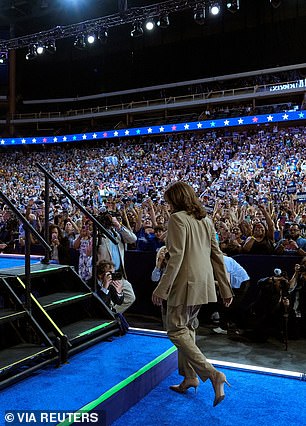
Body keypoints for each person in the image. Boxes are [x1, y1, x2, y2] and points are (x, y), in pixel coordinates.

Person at [152, 181, 233, 407]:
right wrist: (225, 288)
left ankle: (213, 374)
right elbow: (217, 255)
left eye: (168, 200)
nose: (167, 205)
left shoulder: (177, 219)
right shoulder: (206, 220)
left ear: (176, 199)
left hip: (185, 284)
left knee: (176, 329)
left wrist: (161, 287)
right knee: (187, 328)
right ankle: (189, 377)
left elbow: (175, 257)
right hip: (203, 283)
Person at [97, 210, 137, 313]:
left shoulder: (118, 233)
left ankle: (111, 312)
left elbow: (133, 239)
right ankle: (106, 313)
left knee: (130, 296)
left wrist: (118, 225)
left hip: (118, 273)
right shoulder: (99, 235)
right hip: (104, 274)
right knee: (107, 297)